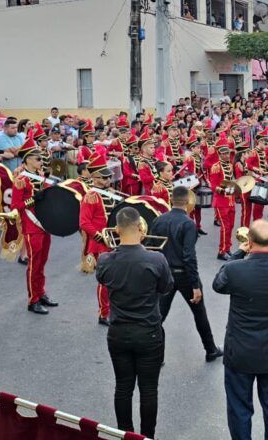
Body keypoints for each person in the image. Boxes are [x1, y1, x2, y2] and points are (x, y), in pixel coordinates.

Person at [213, 220, 268, 440]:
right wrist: (267, 249)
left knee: (239, 409)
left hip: (240, 351)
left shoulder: (234, 269)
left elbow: (218, 284)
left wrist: (239, 253)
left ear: (249, 242)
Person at [95, 207, 173, 439]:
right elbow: (166, 288)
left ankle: (125, 434)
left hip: (118, 332)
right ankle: (147, 436)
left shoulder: (105, 260)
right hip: (148, 332)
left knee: (123, 387)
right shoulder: (156, 259)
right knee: (148, 390)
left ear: (117, 230)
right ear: (140, 227)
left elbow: (102, 278)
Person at [150, 185, 224, 361]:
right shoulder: (188, 223)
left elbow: (152, 249)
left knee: (158, 317)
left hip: (164, 274)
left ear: (171, 200)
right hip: (184, 275)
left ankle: (154, 356)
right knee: (199, 313)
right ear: (188, 201)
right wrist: (195, 285)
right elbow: (189, 256)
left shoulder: (158, 220)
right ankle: (210, 350)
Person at [10, 137, 56, 314]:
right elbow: (15, 206)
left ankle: (41, 292)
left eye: (41, 158)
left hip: (45, 224)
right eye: (38, 158)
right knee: (34, 264)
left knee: (42, 263)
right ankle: (33, 300)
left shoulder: (40, 177)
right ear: (28, 159)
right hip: (31, 226)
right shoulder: (21, 179)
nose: (41, 161)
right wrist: (32, 200)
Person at [78, 153, 116, 326]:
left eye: (109, 176)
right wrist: (101, 237)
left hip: (114, 241)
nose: (109, 179)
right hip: (101, 243)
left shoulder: (109, 193)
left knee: (115, 279)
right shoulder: (91, 196)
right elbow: (84, 223)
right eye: (105, 177)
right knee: (105, 280)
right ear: (95, 178)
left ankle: (113, 310)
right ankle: (103, 314)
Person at [209, 139, 242, 261]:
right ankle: (222, 251)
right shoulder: (216, 167)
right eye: (224, 153)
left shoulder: (229, 165)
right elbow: (213, 186)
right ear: (219, 154)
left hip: (231, 201)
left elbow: (230, 181)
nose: (227, 155)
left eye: (228, 153)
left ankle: (227, 249)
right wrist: (224, 190)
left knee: (231, 226)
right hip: (221, 202)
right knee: (225, 227)